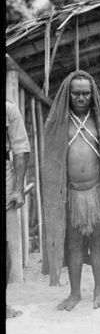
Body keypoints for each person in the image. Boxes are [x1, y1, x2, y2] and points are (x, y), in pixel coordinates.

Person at [42, 70, 100, 311]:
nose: (80, 97)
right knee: (74, 245)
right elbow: (52, 163)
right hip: (71, 194)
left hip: (96, 193)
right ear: (68, 95)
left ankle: (99, 290)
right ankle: (75, 293)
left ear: (92, 94)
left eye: (85, 93)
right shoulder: (57, 123)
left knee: (98, 243)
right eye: (76, 93)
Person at [6, 98, 31, 318]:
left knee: (5, 243)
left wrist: (18, 188)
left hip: (4, 175)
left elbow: (21, 150)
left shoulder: (8, 109)